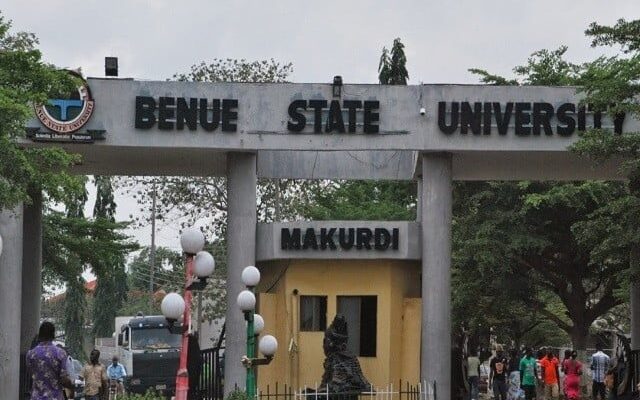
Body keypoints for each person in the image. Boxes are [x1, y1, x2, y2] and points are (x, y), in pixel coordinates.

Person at [26, 321, 71, 400]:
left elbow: (31, 373)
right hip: (55, 397)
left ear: (39, 335)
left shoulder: (31, 354)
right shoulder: (60, 353)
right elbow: (64, 380)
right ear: (53, 335)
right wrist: (71, 386)